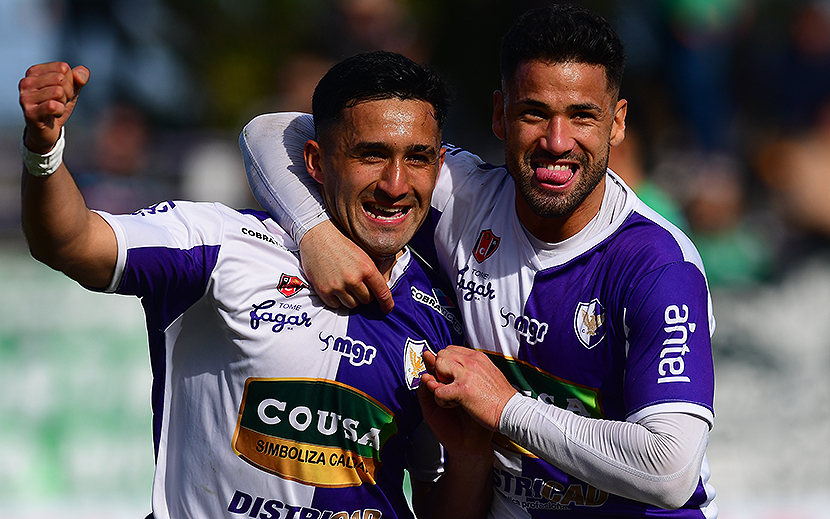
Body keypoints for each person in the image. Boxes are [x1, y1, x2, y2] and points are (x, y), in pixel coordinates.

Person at [240, 4, 717, 518]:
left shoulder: (657, 266)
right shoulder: (463, 197)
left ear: (617, 124)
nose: (557, 142)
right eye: (534, 112)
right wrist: (315, 234)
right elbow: (273, 131)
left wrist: (505, 406)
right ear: (498, 115)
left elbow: (671, 471)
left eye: (582, 116)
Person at [18, 51, 494, 519]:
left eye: (418, 159)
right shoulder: (219, 244)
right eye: (371, 155)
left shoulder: (444, 313)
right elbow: (70, 241)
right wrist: (44, 151)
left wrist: (473, 456)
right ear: (317, 161)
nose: (395, 184)